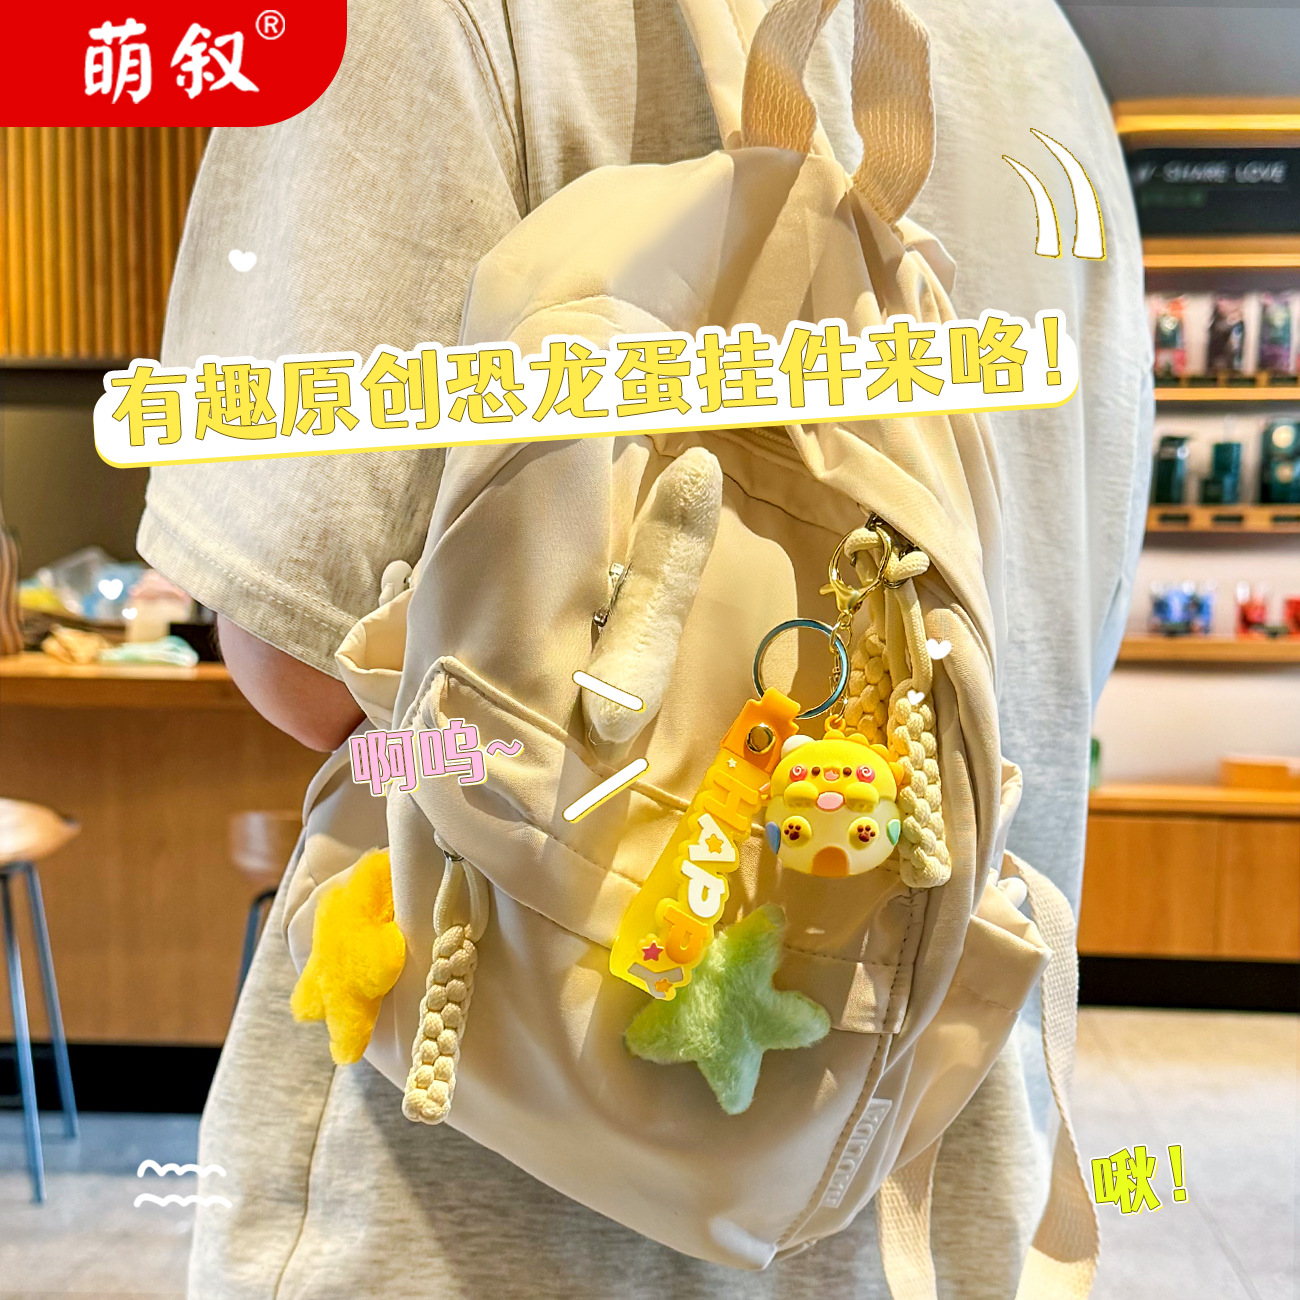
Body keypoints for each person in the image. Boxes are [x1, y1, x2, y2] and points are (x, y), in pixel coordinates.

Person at [138, 1, 1152, 1294]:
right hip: (930, 1169)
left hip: (491, 1203)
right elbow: (1057, 660)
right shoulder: (1047, 61)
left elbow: (304, 660)